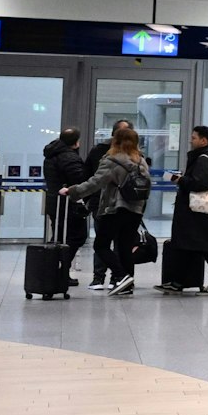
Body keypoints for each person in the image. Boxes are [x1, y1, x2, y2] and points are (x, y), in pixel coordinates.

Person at [64, 127, 149, 297]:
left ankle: (121, 275)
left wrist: (72, 191)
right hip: (135, 210)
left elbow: (95, 183)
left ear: (115, 141)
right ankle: (127, 284)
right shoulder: (141, 161)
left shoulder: (112, 160)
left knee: (101, 245)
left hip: (114, 208)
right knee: (125, 247)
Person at [161, 125, 208, 294]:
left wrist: (180, 180)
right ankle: (196, 282)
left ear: (203, 140)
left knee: (195, 246)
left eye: (193, 138)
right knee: (201, 248)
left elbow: (200, 183)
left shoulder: (205, 158)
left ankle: (182, 282)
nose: (190, 141)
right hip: (206, 213)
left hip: (200, 212)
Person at [85, 119, 136, 290]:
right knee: (106, 242)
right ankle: (100, 277)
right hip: (110, 204)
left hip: (115, 205)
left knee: (109, 244)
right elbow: (89, 176)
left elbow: (93, 180)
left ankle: (118, 278)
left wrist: (76, 192)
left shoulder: (112, 156)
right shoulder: (136, 157)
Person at [41, 126, 90, 284]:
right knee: (76, 237)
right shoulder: (69, 157)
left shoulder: (50, 155)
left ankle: (52, 272)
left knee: (58, 238)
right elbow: (79, 180)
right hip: (69, 204)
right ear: (76, 142)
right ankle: (61, 272)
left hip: (54, 202)